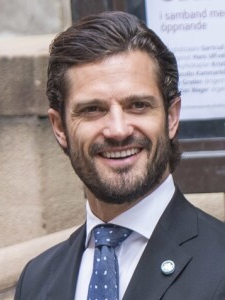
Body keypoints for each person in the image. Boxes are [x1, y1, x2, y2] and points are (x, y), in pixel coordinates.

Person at [14, 11, 225, 300]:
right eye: (93, 109)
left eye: (138, 105)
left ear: (172, 118)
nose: (117, 130)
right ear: (60, 127)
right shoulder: (37, 281)